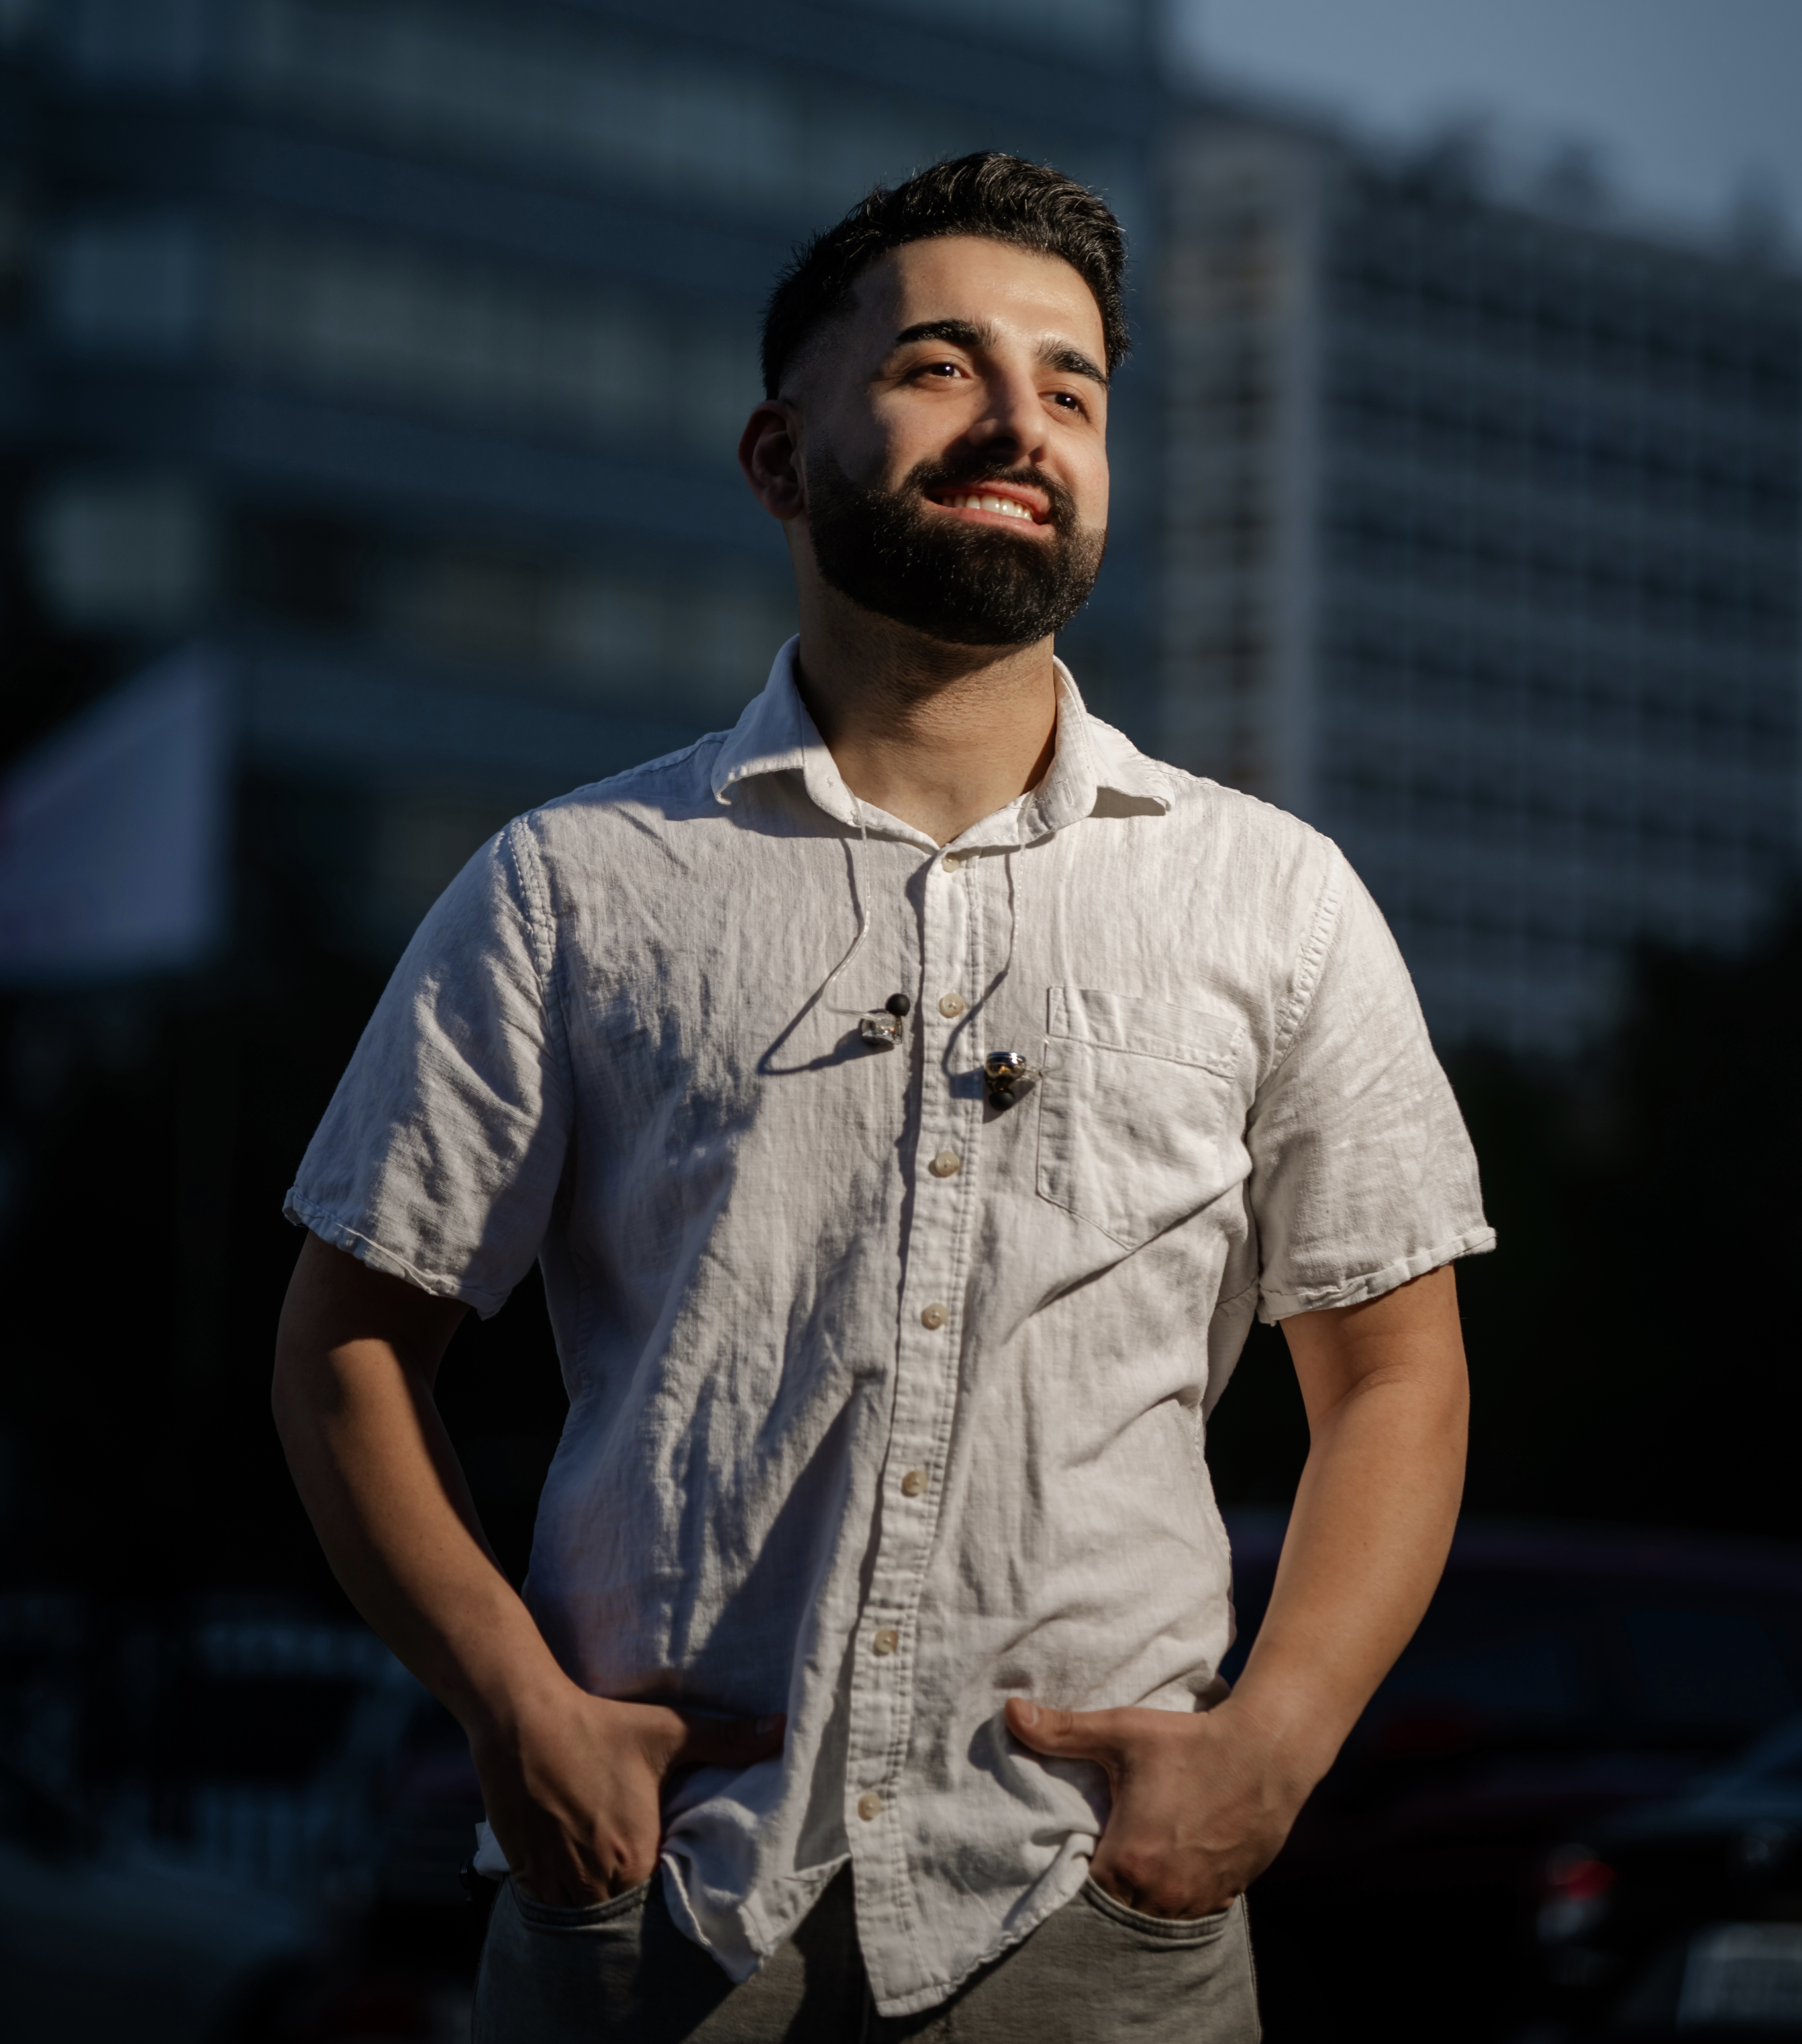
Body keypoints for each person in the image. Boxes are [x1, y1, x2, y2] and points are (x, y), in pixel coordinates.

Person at [273, 152, 1492, 2043]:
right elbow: (347, 1340)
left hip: (1100, 1917)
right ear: (779, 458)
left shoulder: (1275, 897)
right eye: (944, 365)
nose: (1023, 420)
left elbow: (1398, 1374)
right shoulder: (576, 884)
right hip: (657, 1902)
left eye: (1074, 388)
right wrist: (514, 1708)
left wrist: (1277, 1746)